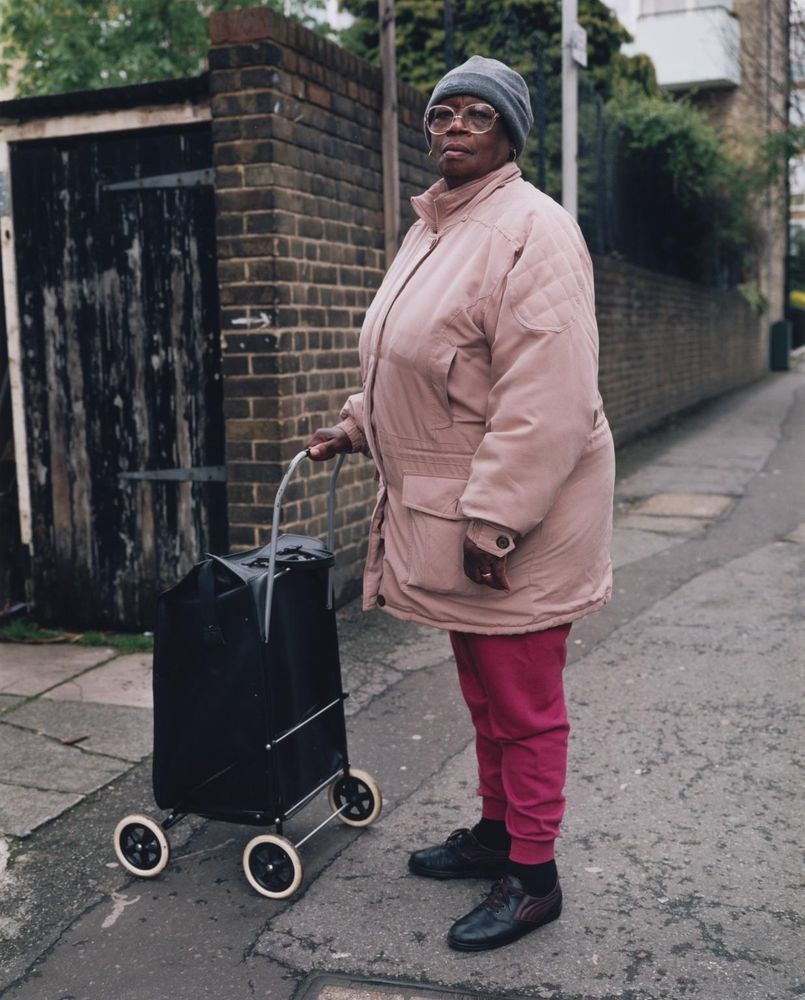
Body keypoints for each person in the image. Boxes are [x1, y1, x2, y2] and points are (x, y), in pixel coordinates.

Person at [307, 55, 615, 952]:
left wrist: (495, 520)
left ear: (510, 133)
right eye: (441, 112)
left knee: (523, 704)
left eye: (475, 114)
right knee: (482, 694)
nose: (450, 126)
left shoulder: (533, 229)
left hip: (519, 520)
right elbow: (423, 364)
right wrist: (357, 426)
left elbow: (545, 397)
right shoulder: (435, 227)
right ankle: (496, 835)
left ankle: (534, 876)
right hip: (458, 509)